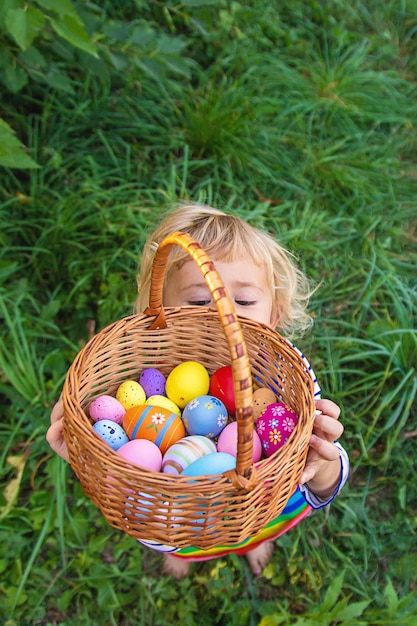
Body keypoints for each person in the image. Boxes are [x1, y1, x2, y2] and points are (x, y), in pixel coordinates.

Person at [47, 203, 349, 579]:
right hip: (176, 517)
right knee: (177, 539)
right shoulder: (158, 376)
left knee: (255, 528)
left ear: (275, 314)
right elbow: (141, 484)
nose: (224, 315)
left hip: (264, 503)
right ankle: (181, 551)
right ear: (161, 310)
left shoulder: (289, 381)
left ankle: (255, 541)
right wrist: (90, 458)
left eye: (244, 301)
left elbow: (323, 483)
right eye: (199, 300)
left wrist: (325, 465)